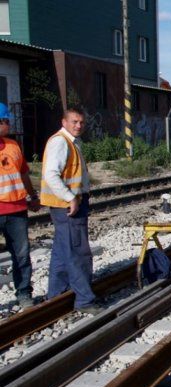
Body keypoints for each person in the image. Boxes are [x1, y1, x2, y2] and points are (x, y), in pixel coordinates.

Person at [41, 106, 100, 313]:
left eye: (81, 122)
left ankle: (56, 295)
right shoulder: (60, 142)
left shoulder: (71, 143)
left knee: (61, 251)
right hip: (68, 206)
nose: (79, 125)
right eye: (74, 121)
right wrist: (70, 198)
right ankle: (84, 300)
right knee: (78, 251)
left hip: (64, 206)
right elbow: (51, 174)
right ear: (64, 122)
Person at [0, 103, 40, 308]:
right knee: (20, 254)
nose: (9, 124)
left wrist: (33, 197)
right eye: (7, 121)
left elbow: (23, 174)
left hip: (16, 210)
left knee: (21, 255)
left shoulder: (14, 146)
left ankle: (24, 293)